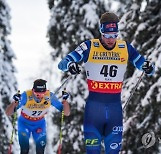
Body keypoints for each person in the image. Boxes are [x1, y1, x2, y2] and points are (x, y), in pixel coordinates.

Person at [58, 12, 155, 154]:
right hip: (93, 111)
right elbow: (63, 63)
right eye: (107, 35)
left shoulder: (125, 48)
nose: (111, 40)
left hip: (114, 111)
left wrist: (148, 66)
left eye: (115, 35)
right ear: (101, 32)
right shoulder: (89, 46)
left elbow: (146, 66)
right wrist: (70, 65)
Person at [6, 79, 70, 154]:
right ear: (33, 90)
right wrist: (15, 102)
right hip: (24, 123)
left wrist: (65, 102)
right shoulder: (26, 95)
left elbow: (66, 113)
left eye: (42, 94)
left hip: (39, 124)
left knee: (40, 149)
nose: (40, 97)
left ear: (46, 91)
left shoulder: (50, 96)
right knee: (24, 149)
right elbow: (8, 113)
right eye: (37, 94)